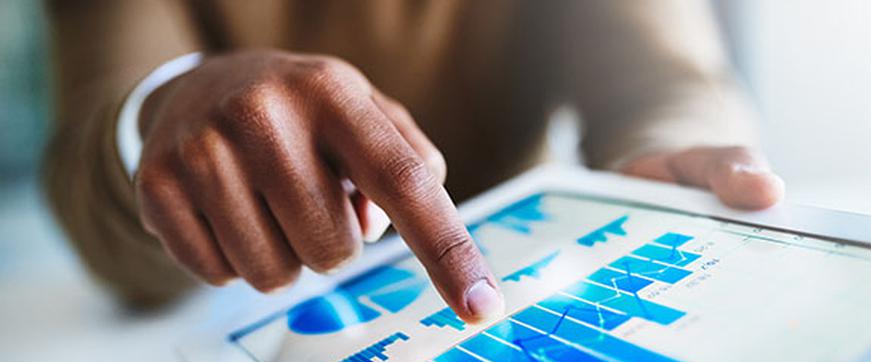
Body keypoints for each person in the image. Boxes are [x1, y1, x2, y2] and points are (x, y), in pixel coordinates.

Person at [43, 0, 784, 324]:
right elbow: (88, 169)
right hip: (243, 334)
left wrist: (660, 153)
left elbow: (663, 79)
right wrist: (159, 116)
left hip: (513, 292)